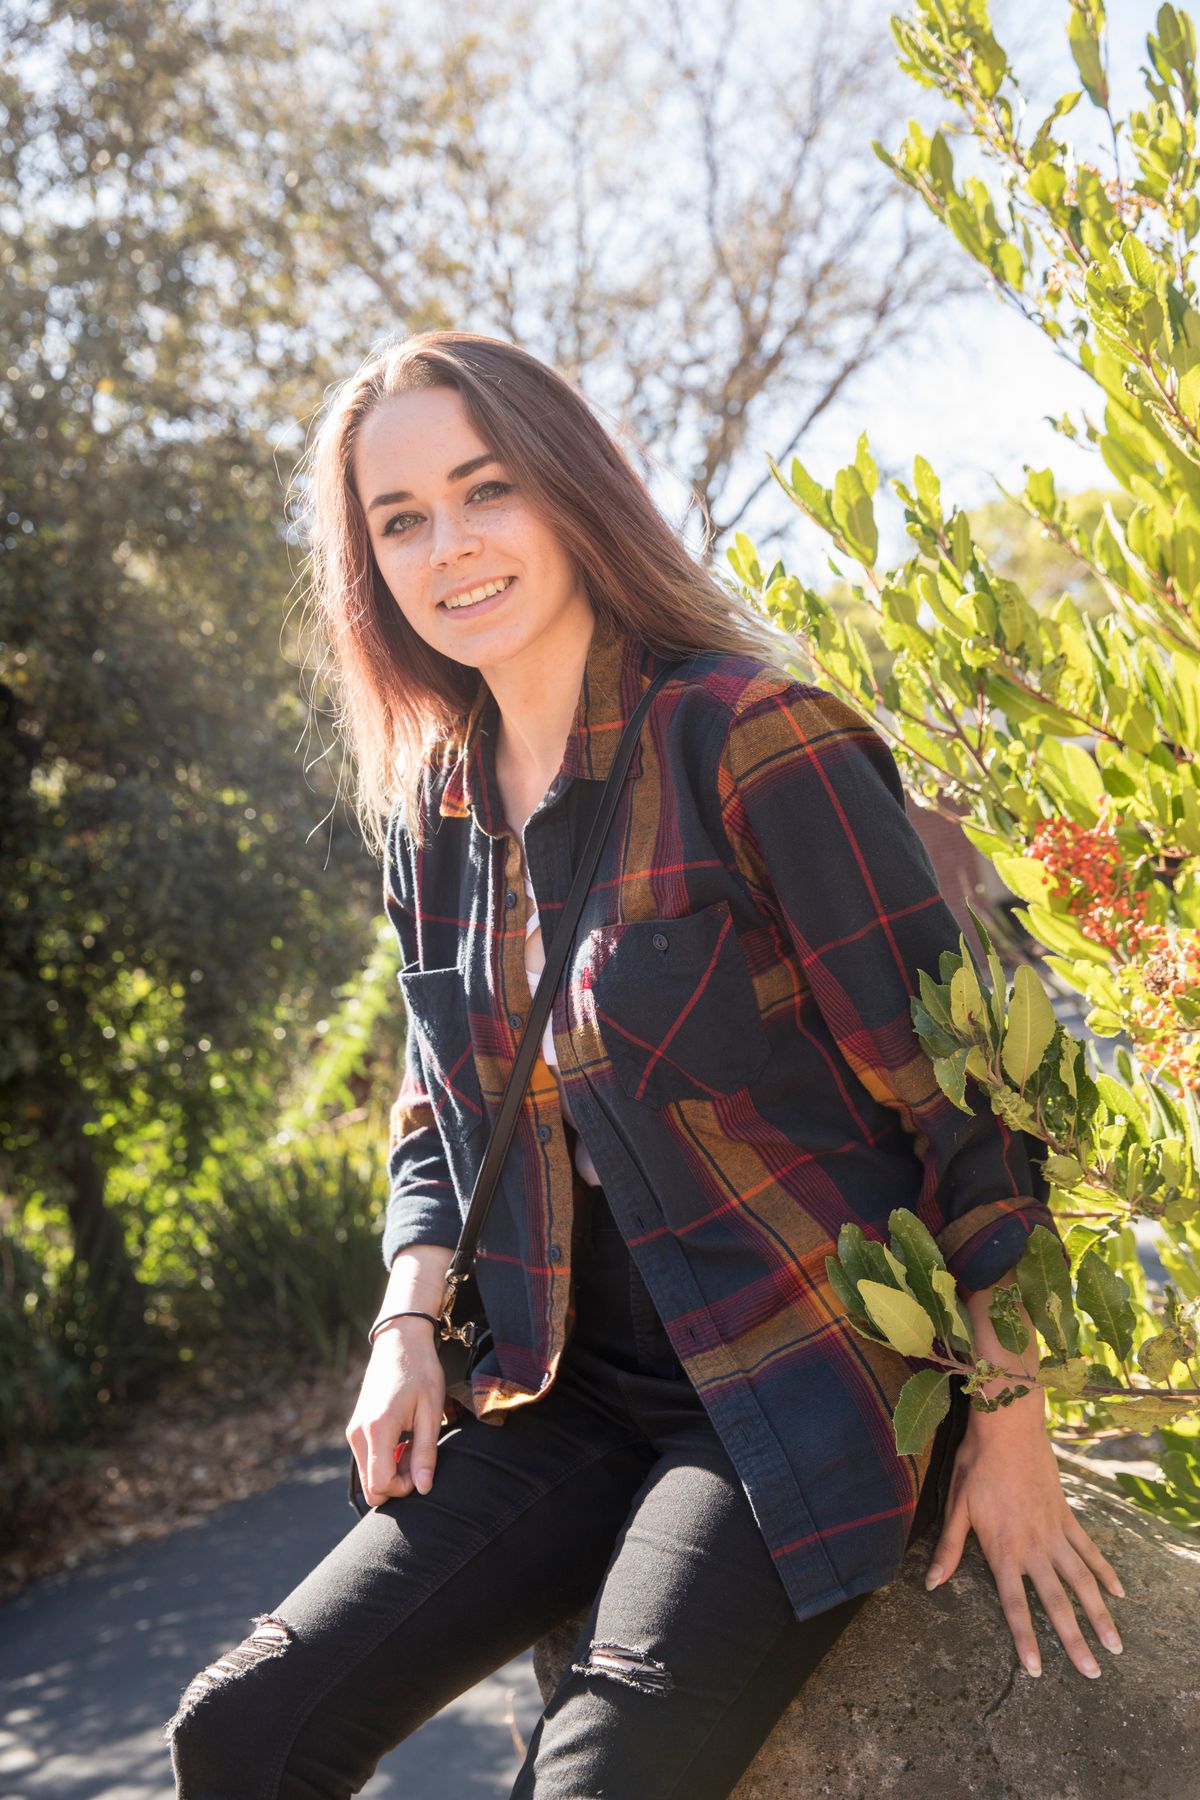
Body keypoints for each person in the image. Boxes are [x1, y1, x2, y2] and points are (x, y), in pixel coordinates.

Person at [166, 331, 1125, 1800]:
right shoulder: (437, 808)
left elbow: (981, 1104)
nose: (450, 545)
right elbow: (436, 1108)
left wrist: (1008, 1418)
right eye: (400, 517)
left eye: (486, 490)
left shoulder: (751, 740)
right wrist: (405, 1323)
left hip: (798, 1372)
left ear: (569, 489)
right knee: (240, 1731)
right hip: (565, 1381)